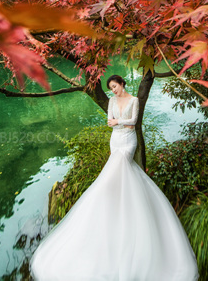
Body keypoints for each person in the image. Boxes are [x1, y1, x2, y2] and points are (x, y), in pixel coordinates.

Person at [30, 75, 199, 281]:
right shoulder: (111, 101)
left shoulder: (134, 100)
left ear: (122, 84)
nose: (113, 90)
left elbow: (133, 122)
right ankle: (115, 202)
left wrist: (119, 121)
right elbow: (110, 124)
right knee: (116, 171)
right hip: (116, 140)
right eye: (110, 88)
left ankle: (125, 203)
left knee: (121, 166)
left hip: (129, 142)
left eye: (115, 86)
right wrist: (120, 123)